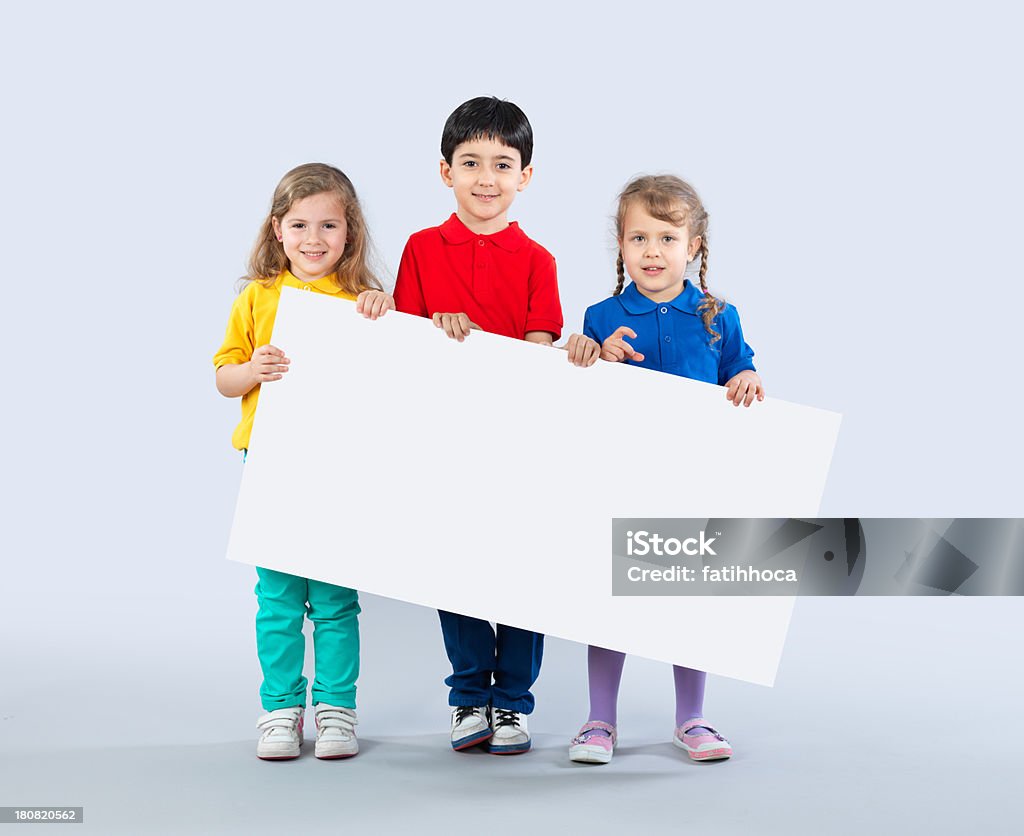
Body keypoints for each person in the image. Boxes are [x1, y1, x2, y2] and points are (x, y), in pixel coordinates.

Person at [394, 95, 597, 753]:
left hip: (521, 447)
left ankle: (512, 702)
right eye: (471, 162)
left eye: (503, 164)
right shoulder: (421, 249)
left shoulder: (539, 259)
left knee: (523, 576)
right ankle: (468, 699)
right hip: (443, 445)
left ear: (526, 176)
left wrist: (491, 348)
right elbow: (399, 344)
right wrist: (435, 330)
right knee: (454, 572)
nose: (487, 178)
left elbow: (539, 352)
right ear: (444, 170)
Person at [569, 174, 764, 765]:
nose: (652, 251)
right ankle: (600, 720)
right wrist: (589, 352)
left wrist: (746, 378)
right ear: (621, 247)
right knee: (611, 605)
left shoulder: (717, 316)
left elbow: (741, 368)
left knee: (688, 602)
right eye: (638, 238)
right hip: (622, 480)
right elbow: (581, 387)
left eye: (667, 237)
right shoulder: (602, 314)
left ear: (694, 245)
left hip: (693, 484)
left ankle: (692, 719)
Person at [213, 163, 394, 760]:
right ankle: (281, 711)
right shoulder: (257, 297)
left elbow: (391, 381)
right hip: (271, 466)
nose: (313, 238)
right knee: (280, 599)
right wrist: (250, 371)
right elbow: (223, 376)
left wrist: (382, 311)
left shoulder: (362, 303)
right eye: (299, 224)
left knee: (338, 599)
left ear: (350, 233)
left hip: (339, 472)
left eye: (329, 225)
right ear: (277, 228)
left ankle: (337, 711)